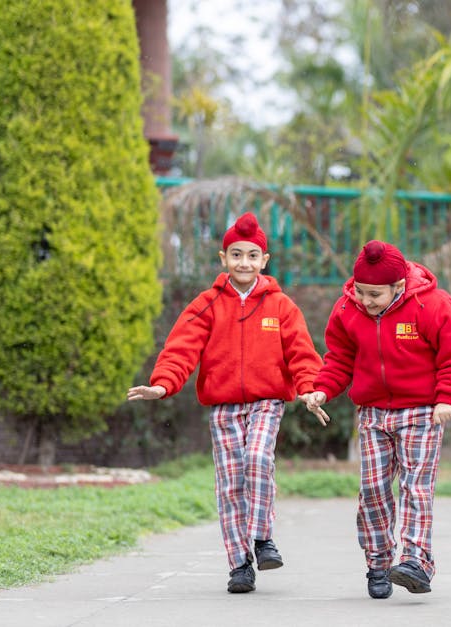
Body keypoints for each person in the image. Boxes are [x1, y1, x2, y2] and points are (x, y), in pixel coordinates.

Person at [127, 211, 326, 594]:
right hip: (224, 408)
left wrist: (311, 389)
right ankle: (239, 564)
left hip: (268, 402)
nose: (244, 263)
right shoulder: (206, 304)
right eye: (236, 255)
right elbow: (180, 349)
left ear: (264, 261)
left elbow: (302, 354)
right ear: (223, 259)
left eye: (252, 255)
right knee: (230, 484)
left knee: (257, 459)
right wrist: (163, 385)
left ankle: (264, 538)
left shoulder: (281, 306)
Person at [301, 240, 451, 600]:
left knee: (416, 487)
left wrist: (448, 397)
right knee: (373, 491)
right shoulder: (347, 309)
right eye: (361, 291)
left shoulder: (433, 306)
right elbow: (339, 359)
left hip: (422, 411)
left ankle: (415, 561)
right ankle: (378, 562)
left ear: (399, 286)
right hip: (373, 412)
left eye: (375, 294)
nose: (366, 300)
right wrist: (322, 390)